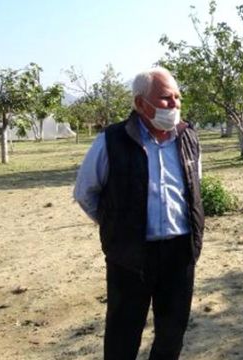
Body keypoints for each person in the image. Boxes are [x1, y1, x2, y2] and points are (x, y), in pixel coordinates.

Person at [74, 67, 205, 360]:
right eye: (165, 99)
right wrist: (119, 227)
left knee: (171, 337)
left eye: (177, 98)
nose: (174, 105)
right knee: (123, 337)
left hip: (179, 253)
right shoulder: (111, 141)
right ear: (139, 103)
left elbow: (193, 189)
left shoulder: (188, 138)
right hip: (131, 256)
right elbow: (86, 193)